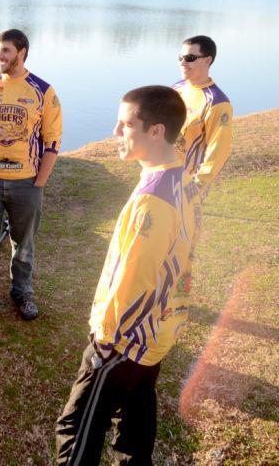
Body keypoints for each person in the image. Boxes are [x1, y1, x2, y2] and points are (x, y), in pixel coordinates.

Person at [55, 86, 202, 465]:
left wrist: (106, 340)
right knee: (135, 426)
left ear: (155, 131)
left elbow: (135, 278)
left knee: (77, 429)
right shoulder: (179, 175)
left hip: (124, 341)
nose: (115, 133)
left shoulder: (153, 201)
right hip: (157, 332)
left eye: (125, 125)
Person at [0, 28, 63, 323]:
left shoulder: (43, 91)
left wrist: (38, 183)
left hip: (25, 182)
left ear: (22, 53)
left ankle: (22, 293)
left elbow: (52, 143)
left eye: (5, 50)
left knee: (24, 243)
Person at [173, 35, 233, 195]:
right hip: (163, 172)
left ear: (207, 60)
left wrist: (197, 185)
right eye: (180, 57)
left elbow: (219, 149)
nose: (183, 63)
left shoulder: (217, 103)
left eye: (190, 58)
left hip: (188, 183)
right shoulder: (177, 88)